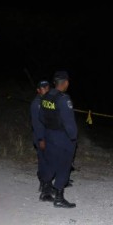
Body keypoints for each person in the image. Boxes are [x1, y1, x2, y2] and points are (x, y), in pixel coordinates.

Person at [38, 71, 78, 208]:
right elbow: (69, 122)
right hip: (62, 137)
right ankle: (59, 198)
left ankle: (45, 190)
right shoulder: (63, 99)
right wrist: (73, 138)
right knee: (64, 165)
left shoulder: (46, 97)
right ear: (66, 83)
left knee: (50, 162)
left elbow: (41, 117)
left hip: (49, 134)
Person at [30, 80, 50, 193]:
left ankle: (47, 184)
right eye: (43, 88)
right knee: (43, 161)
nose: (46, 90)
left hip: (47, 137)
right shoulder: (37, 103)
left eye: (47, 87)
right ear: (38, 90)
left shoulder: (46, 102)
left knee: (48, 161)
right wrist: (41, 139)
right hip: (41, 138)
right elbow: (37, 124)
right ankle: (44, 187)